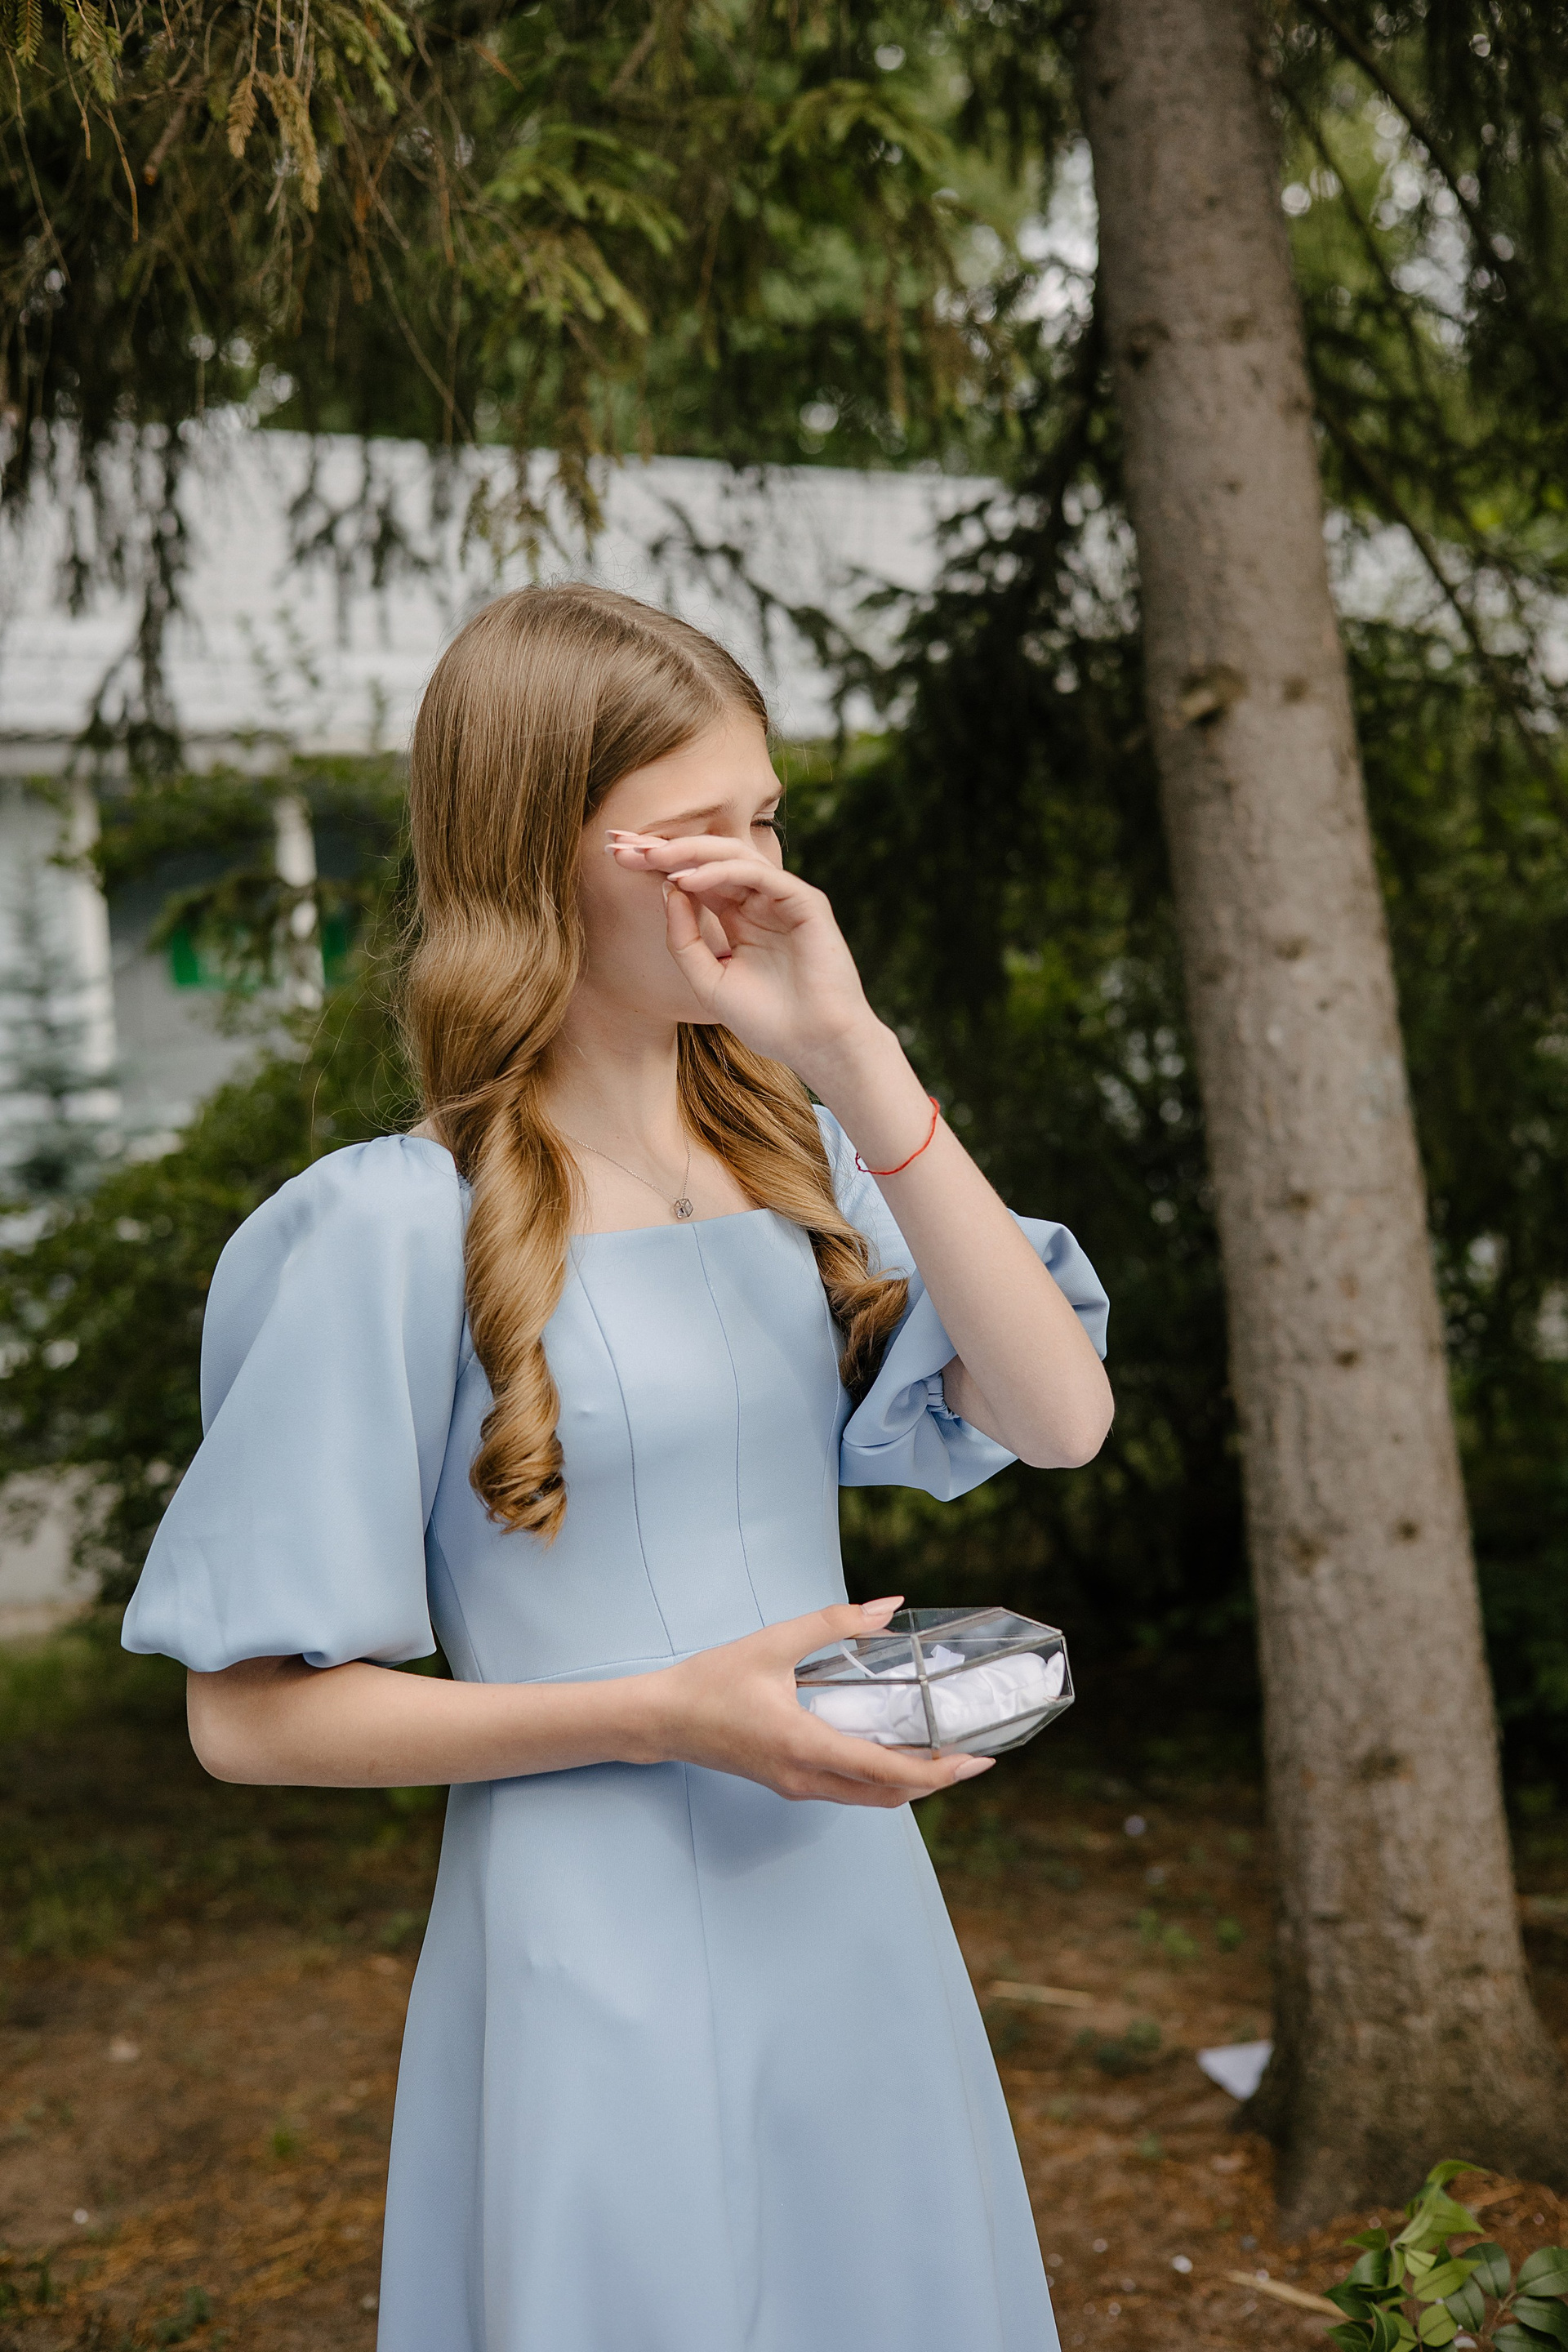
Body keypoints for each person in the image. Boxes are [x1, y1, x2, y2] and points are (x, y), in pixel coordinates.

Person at [122, 584, 1114, 2352]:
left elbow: (1061, 1418)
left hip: (850, 1901)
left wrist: (854, 1053)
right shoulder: (386, 1227)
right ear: (538, 859)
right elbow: (247, 1721)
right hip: (587, 1943)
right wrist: (664, 1715)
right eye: (692, 834)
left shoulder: (811, 1159)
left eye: (767, 822)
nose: (758, 879)